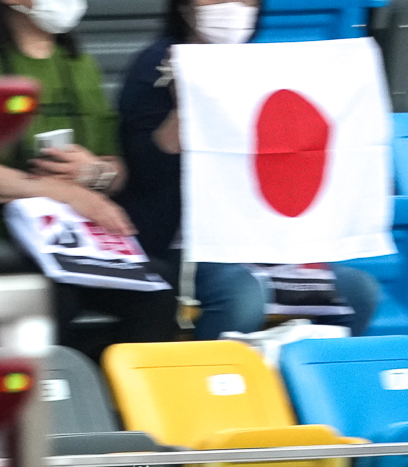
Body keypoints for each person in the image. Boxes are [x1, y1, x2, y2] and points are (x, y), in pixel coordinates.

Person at [117, 0, 381, 339]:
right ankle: (209, 382)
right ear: (183, 6)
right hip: (188, 241)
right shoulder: (155, 65)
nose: (232, 6)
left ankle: (306, 382)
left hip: (260, 239)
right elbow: (145, 168)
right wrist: (184, 103)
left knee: (358, 293)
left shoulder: (263, 66)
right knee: (242, 298)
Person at [0, 0, 176, 354]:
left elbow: (118, 171)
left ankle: (116, 399)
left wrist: (92, 172)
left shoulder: (79, 63)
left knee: (158, 289)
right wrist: (64, 192)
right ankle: (48, 400)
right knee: (51, 298)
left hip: (72, 242)